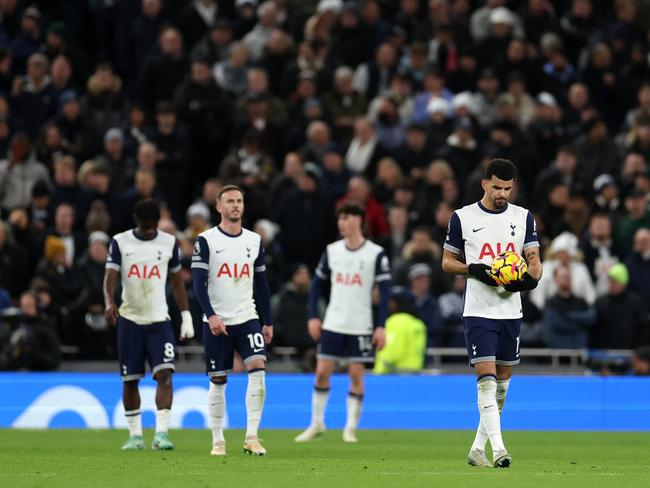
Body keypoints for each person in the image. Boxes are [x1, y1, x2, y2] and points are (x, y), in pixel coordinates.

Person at [442, 158, 542, 468]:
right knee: (485, 380)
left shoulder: (523, 217)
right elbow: (447, 261)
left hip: (510, 309)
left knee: (501, 386)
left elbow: (534, 259)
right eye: (497, 187)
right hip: (479, 309)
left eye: (508, 189)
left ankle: (476, 449)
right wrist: (474, 270)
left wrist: (529, 280)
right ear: (485, 183)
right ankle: (499, 450)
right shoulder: (463, 217)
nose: (502, 194)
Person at [103, 199, 194, 451]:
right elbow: (109, 277)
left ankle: (161, 434)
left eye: (154, 225)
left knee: (164, 374)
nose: (150, 230)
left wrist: (186, 315)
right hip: (130, 320)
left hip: (159, 321)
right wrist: (110, 302)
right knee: (130, 380)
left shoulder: (168, 243)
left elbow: (176, 282)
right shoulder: (120, 242)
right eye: (146, 226)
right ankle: (135, 436)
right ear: (136, 221)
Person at [295, 203, 390, 444]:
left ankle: (349, 428)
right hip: (334, 322)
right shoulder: (332, 251)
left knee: (356, 376)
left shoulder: (375, 254)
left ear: (359, 220)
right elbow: (316, 286)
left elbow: (385, 292)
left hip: (361, 325)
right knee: (321, 373)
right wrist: (313, 317)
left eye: (346, 217)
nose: (341, 223)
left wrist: (381, 326)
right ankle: (316, 422)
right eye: (340, 218)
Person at [191, 185, 274, 457]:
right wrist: (211, 314)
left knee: (258, 368)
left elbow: (261, 284)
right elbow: (198, 284)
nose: (235, 206)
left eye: (239, 201)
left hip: (247, 317)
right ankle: (218, 441)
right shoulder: (206, 241)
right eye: (229, 201)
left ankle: (252, 435)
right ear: (218, 207)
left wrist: (268, 320)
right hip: (217, 321)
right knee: (218, 380)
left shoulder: (254, 240)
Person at [373, 288, 426, 374]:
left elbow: (391, 351)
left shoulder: (395, 321)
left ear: (398, 302)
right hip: (415, 373)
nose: (388, 303)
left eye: (391, 300)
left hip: (394, 375)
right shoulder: (418, 323)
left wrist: (378, 373)